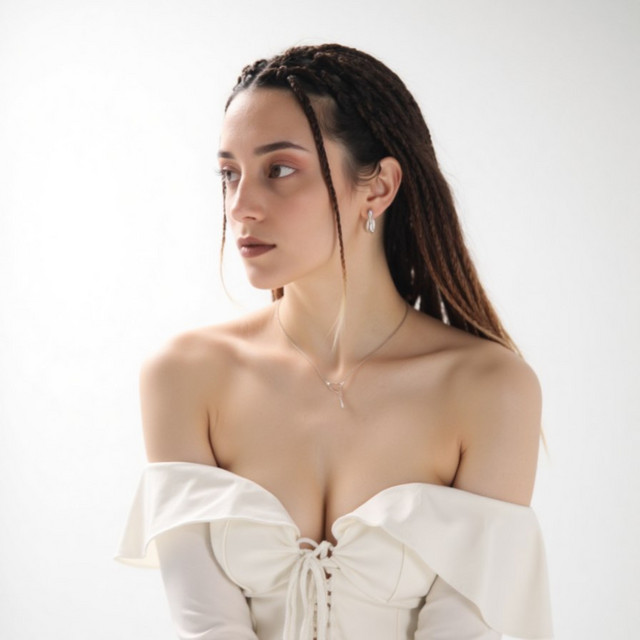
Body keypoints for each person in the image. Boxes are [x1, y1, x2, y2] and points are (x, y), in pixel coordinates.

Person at [116, 44, 553, 639]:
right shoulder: (185, 377)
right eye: (229, 174)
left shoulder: (489, 390)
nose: (241, 207)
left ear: (378, 187)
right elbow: (206, 624)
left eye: (279, 170)